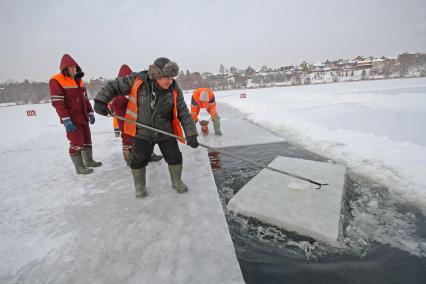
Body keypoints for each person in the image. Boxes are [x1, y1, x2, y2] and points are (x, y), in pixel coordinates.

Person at [94, 57, 198, 198]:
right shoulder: (138, 80)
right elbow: (114, 86)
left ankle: (176, 182)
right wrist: (101, 100)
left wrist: (191, 133)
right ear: (156, 75)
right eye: (165, 77)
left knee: (175, 157)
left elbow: (183, 111)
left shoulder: (173, 88)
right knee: (138, 160)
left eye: (171, 77)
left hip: (165, 131)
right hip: (141, 132)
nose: (169, 81)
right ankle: (140, 188)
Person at [49, 54, 102, 174]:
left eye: (75, 66)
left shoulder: (80, 81)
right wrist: (66, 119)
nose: (74, 68)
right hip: (72, 119)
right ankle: (79, 167)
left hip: (83, 117)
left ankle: (89, 161)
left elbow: (85, 99)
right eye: (71, 67)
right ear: (65, 68)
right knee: (76, 142)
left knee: (87, 139)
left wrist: (90, 112)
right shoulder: (56, 80)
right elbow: (58, 103)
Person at [111, 64, 163, 166]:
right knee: (128, 139)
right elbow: (115, 105)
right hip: (125, 121)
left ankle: (149, 155)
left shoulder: (135, 88)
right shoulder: (118, 92)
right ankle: (129, 158)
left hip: (138, 119)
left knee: (146, 136)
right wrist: (125, 97)